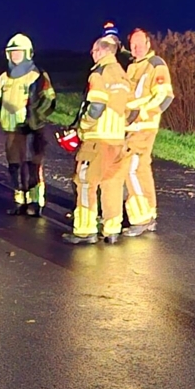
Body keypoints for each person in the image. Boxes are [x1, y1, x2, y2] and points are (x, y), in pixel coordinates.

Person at [62, 36, 131, 245]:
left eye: (94, 51)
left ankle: (84, 230)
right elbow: (130, 109)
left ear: (102, 51)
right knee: (112, 184)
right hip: (118, 139)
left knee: (85, 182)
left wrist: (83, 126)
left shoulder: (99, 73)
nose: (92, 54)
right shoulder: (123, 75)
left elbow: (96, 105)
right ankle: (112, 229)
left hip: (97, 139)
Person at [0, 33, 57, 216]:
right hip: (12, 130)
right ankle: (19, 201)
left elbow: (49, 100)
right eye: (12, 52)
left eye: (19, 52)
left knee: (32, 166)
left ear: (28, 53)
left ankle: (35, 202)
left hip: (31, 130)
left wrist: (35, 120)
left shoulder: (37, 75)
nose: (15, 56)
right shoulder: (4, 77)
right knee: (14, 166)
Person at [122, 28, 174, 235]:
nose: (137, 48)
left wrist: (141, 115)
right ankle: (147, 214)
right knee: (141, 168)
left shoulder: (156, 65)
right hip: (132, 126)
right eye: (133, 45)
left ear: (149, 43)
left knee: (130, 168)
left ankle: (141, 218)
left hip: (142, 127)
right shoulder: (134, 66)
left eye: (140, 43)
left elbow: (165, 96)